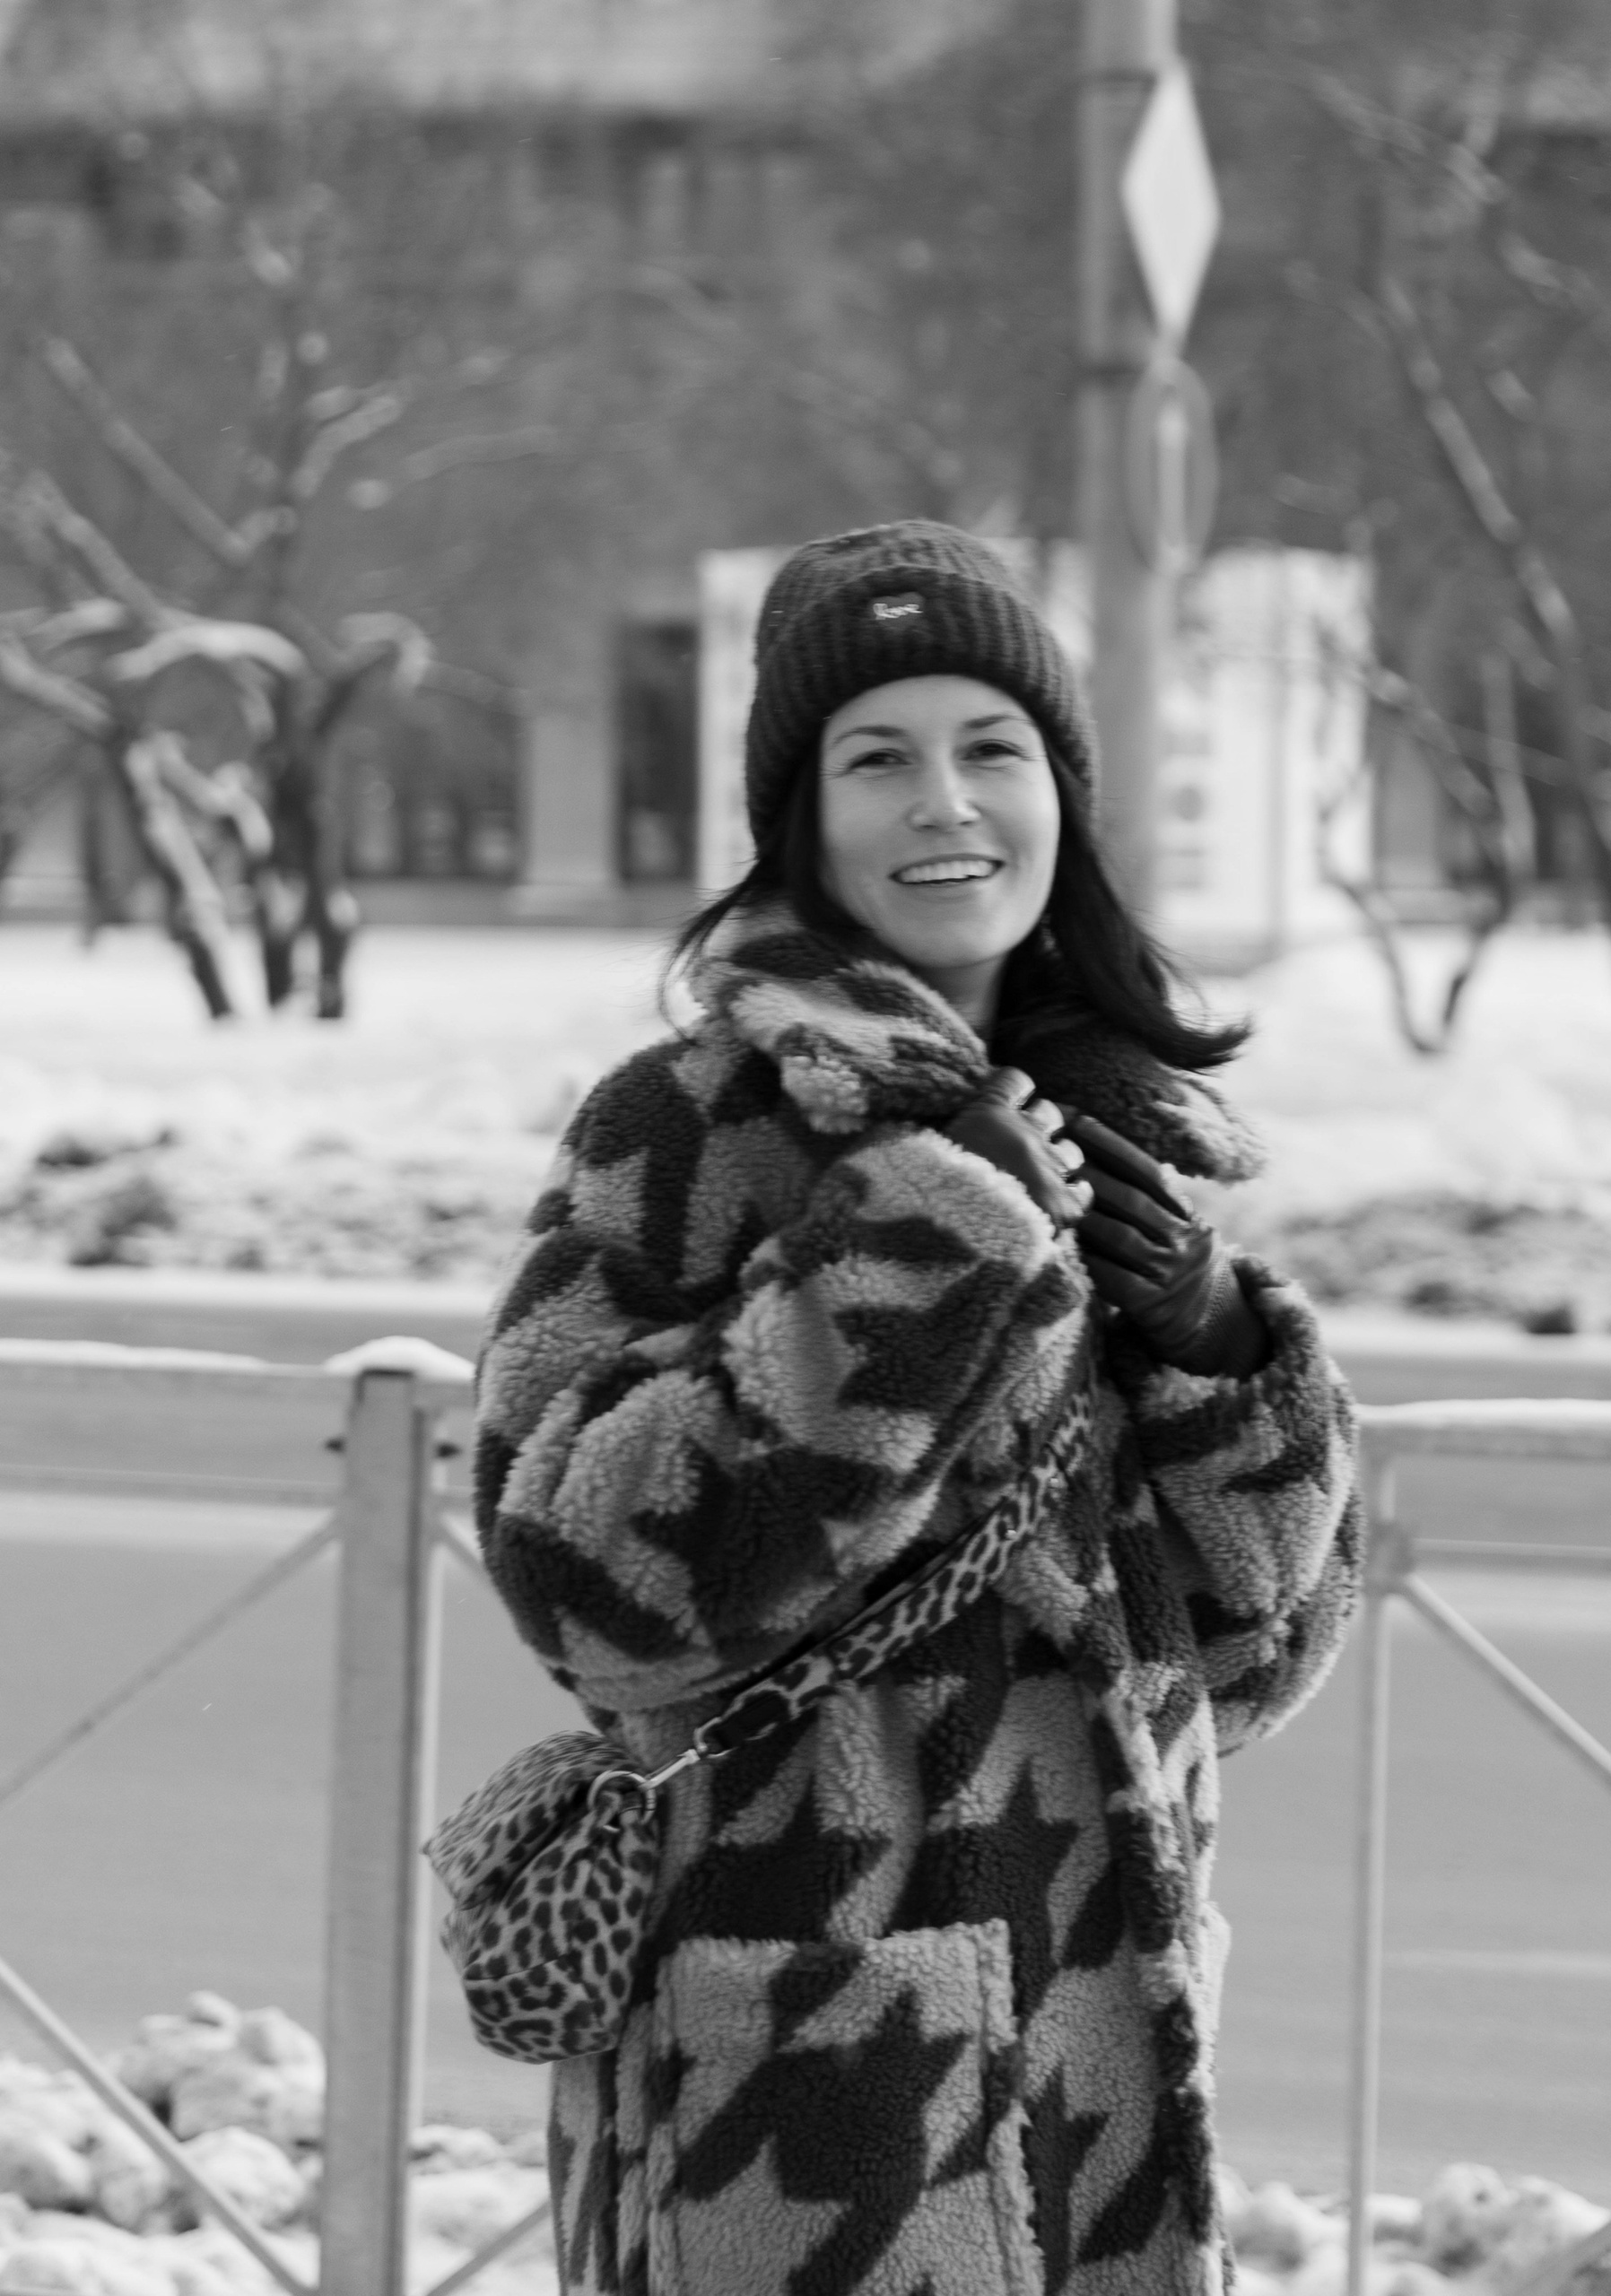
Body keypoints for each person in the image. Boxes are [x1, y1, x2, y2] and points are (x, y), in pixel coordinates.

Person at [472, 521, 1361, 2296]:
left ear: (1061, 791)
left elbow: (1250, 1665)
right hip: (809, 2069)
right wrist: (932, 1236)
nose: (946, 803)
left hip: (1101, 2033)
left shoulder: (1117, 1123)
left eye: (992, 747)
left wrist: (1209, 1343)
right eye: (878, 758)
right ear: (800, 819)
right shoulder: (690, 1123)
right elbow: (580, 1584)